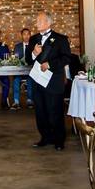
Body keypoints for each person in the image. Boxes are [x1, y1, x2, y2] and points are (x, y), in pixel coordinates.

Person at [25, 10, 73, 150]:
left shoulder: (60, 39)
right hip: (37, 81)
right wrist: (34, 53)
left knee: (55, 111)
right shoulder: (33, 39)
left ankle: (59, 140)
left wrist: (50, 64)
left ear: (48, 22)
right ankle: (45, 137)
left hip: (53, 81)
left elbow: (66, 57)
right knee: (40, 111)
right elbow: (28, 60)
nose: (37, 23)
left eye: (39, 21)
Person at [11, 28, 34, 110]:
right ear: (22, 35)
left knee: (31, 79)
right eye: (24, 34)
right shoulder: (17, 46)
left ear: (30, 35)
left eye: (28, 34)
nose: (26, 36)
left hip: (30, 71)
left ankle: (30, 100)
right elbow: (15, 60)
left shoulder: (34, 46)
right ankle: (16, 101)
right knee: (16, 79)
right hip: (20, 71)